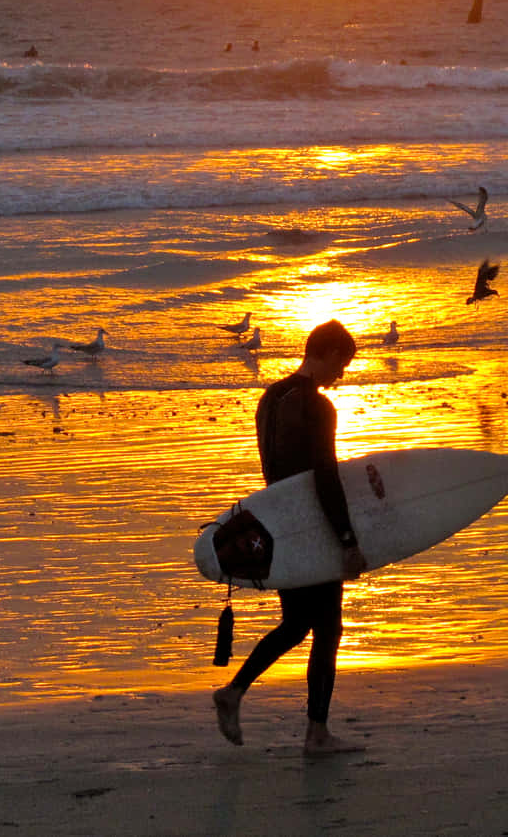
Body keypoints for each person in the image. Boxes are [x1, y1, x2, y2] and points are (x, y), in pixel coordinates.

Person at [212, 319, 366, 755]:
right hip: (313, 529)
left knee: (298, 623)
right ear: (332, 355)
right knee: (328, 629)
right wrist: (348, 540)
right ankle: (317, 733)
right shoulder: (318, 408)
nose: (342, 376)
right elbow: (325, 478)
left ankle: (234, 691)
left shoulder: (270, 398)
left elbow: (275, 471)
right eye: (343, 365)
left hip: (278, 527)